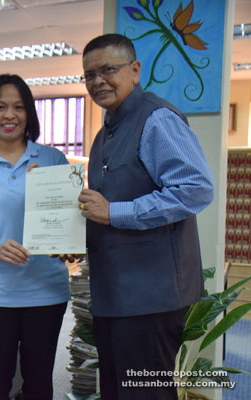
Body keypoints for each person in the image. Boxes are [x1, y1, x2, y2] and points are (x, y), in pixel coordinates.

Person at [77, 34, 214, 399]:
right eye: (89, 75)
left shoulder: (156, 119)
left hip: (150, 298)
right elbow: (104, 205)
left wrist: (114, 213)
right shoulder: (106, 131)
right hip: (116, 295)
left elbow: (195, 189)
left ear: (135, 71)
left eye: (108, 69)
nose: (98, 81)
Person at [0, 74, 70, 400]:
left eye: (19, 107)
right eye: (1, 107)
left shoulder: (52, 159)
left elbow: (67, 223)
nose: (10, 115)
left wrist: (67, 239)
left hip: (46, 290)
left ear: (29, 114)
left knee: (38, 384)